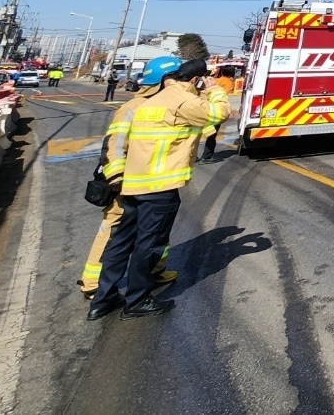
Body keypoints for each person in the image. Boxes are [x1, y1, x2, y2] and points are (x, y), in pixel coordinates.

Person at [87, 58, 231, 321]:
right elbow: (218, 115)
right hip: (160, 186)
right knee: (149, 244)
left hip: (134, 184)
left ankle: (103, 299)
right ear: (194, 79)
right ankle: (137, 300)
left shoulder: (147, 104)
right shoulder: (182, 102)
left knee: (122, 241)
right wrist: (215, 90)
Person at [79, 59, 180, 299]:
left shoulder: (166, 104)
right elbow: (114, 145)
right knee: (115, 229)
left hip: (156, 181)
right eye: (178, 78)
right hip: (128, 182)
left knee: (156, 231)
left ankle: (154, 270)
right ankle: (94, 282)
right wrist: (118, 178)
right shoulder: (133, 107)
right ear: (165, 80)